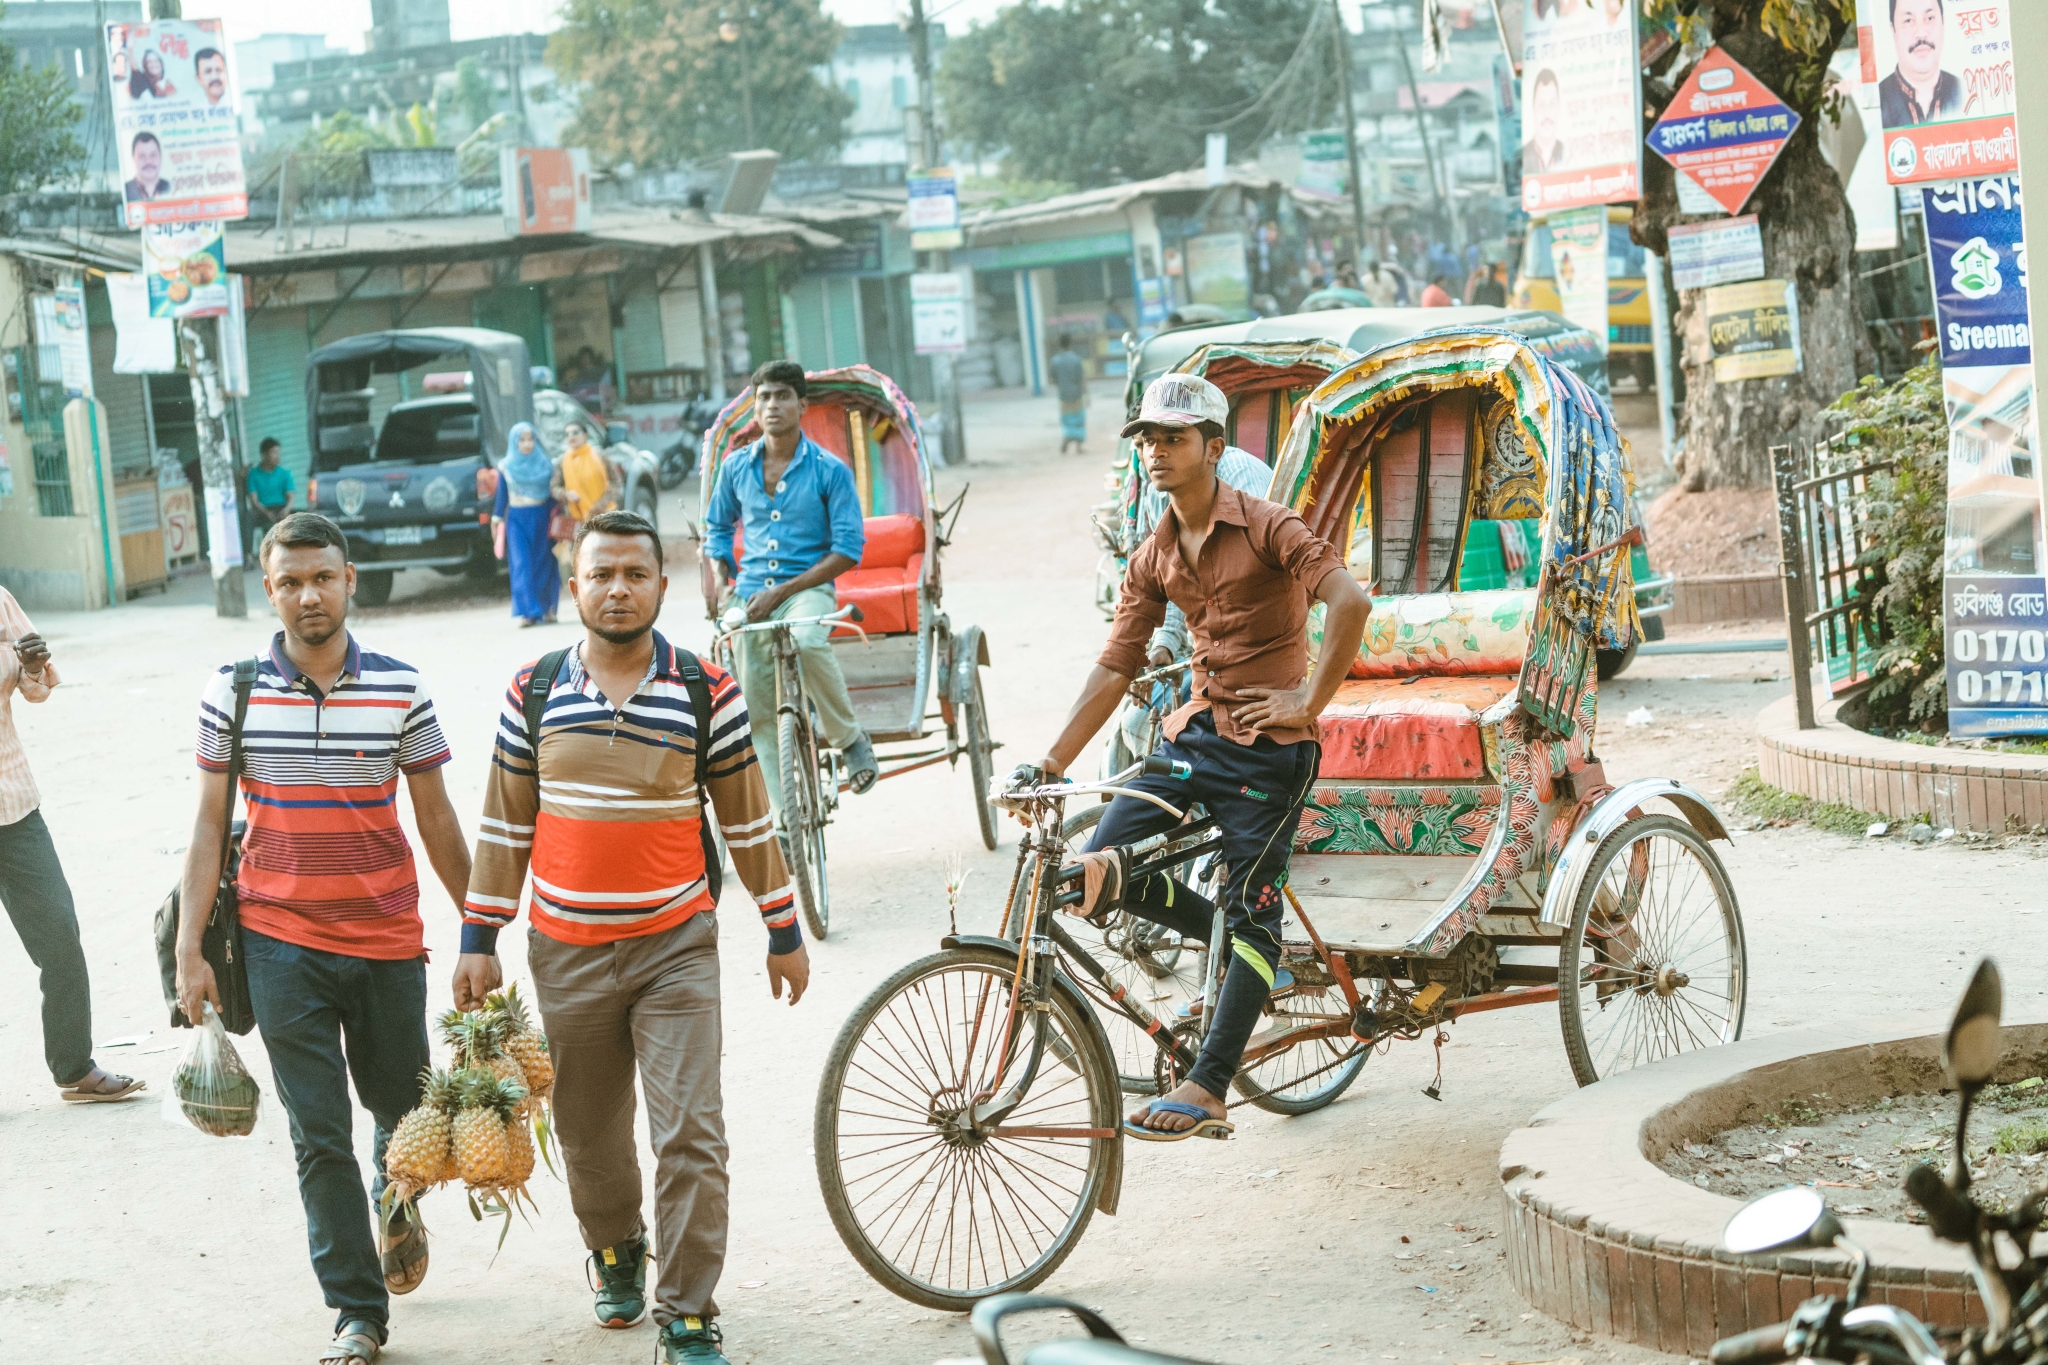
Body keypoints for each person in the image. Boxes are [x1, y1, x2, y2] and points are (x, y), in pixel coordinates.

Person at [455, 509, 808, 1365]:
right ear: (573, 585)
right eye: (600, 573)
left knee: (692, 1127)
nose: (617, 588)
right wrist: (479, 933)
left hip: (675, 945)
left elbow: (748, 814)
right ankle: (615, 1247)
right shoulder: (532, 688)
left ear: (662, 585)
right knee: (587, 1130)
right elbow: (506, 821)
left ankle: (688, 1310)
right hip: (564, 949)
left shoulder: (704, 687)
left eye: (635, 574)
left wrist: (782, 924)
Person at [1009, 373, 1369, 1140]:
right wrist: (1049, 763)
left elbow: (1350, 600)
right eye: (1147, 439)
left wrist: (1307, 699)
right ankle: (1228, 945)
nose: (1155, 452)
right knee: (1100, 863)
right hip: (1195, 736)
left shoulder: (1269, 526)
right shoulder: (1158, 551)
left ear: (1214, 447)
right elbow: (1115, 665)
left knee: (1253, 912)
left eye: (1173, 438)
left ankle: (1209, 1082)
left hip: (1272, 752)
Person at [174, 512, 473, 1365]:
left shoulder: (401, 686)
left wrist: (479, 925)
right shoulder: (230, 690)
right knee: (317, 1133)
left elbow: (437, 813)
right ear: (269, 590)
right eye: (291, 581)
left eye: (323, 578)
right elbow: (206, 828)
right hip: (277, 943)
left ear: (351, 581)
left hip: (385, 939)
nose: (309, 595)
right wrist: (189, 949)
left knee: (398, 1110)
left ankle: (396, 1196)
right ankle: (357, 1311)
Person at [702, 360, 878, 805]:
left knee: (808, 639)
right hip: (750, 592)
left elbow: (848, 550)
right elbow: (717, 530)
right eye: (763, 398)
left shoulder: (830, 470)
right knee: (754, 709)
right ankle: (785, 823)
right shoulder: (736, 466)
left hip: (807, 590)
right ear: (755, 409)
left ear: (801, 405)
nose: (772, 405)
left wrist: (783, 591)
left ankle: (849, 738)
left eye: (782, 396)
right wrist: (722, 579)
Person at [0, 589, 144, 1105]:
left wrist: (33, 665)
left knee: (59, 934)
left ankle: (73, 1067)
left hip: (11, 801)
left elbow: (36, 688)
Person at [493, 421, 560, 627]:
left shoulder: (545, 465)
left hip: (542, 517)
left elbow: (553, 496)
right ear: (515, 442)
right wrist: (495, 521)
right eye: (522, 440)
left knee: (544, 562)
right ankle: (528, 612)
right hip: (517, 520)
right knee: (521, 564)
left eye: (531, 439)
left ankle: (548, 608)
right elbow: (502, 497)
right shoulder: (507, 467)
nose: (527, 444)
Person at [551, 419, 620, 579]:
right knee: (585, 560)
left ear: (585, 435)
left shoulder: (599, 456)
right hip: (577, 518)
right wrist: (566, 494)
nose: (571, 437)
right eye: (567, 434)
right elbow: (554, 488)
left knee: (606, 556)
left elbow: (616, 482)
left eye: (575, 432)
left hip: (604, 515)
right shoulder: (563, 461)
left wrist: (601, 504)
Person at [1879, 0, 1961, 128]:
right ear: (1893, 31)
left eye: (1929, 18)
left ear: (1943, 23)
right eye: (1908, 21)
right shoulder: (1878, 102)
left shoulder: (1964, 91)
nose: (1921, 33)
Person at [246, 437, 296, 553]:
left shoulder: (285, 473)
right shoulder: (253, 474)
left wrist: (286, 509)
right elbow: (254, 500)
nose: (278, 456)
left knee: (304, 516)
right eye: (274, 453)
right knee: (248, 517)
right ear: (264, 455)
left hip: (281, 508)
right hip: (261, 510)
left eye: (279, 453)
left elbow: (291, 497)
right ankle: (247, 557)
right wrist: (266, 513)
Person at [1050, 336, 1089, 454]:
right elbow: (1081, 378)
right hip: (1076, 394)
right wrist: (1087, 394)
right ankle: (1078, 447)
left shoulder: (1055, 360)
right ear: (1070, 343)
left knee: (1067, 419)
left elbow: (1053, 379)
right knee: (1079, 419)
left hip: (1063, 394)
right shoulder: (1076, 359)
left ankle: (1066, 437)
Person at [1522, 67, 1565, 174]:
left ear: (1559, 107)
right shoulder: (1521, 158)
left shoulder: (1569, 152)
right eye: (1541, 105)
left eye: (1552, 104)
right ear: (1533, 107)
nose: (1547, 113)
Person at [124, 131, 171, 203]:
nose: (148, 161)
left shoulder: (170, 187)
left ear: (160, 157)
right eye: (142, 156)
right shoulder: (125, 191)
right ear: (133, 159)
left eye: (153, 155)